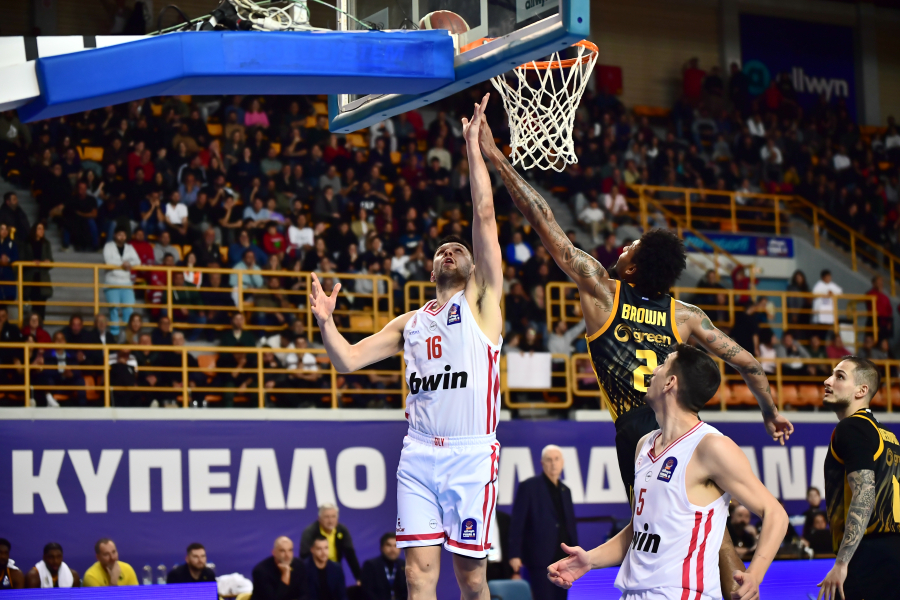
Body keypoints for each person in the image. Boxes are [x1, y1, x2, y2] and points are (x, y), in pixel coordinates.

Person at [476, 106, 793, 594]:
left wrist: (497, 159)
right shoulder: (685, 316)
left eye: (631, 247)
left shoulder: (604, 292)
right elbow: (749, 363)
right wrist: (770, 413)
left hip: (641, 426)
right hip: (682, 420)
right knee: (712, 525)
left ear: (633, 268)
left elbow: (544, 221)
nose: (622, 248)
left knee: (661, 527)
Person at [309, 96, 503, 600]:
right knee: (417, 576)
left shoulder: (482, 304)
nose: (450, 251)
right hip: (417, 454)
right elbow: (348, 361)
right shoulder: (410, 323)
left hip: (470, 454)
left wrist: (472, 147)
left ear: (472, 268)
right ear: (431, 269)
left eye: (458, 249)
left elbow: (484, 215)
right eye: (442, 250)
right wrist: (327, 325)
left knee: (471, 579)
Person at [547, 345, 788, 599]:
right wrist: (589, 560)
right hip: (633, 592)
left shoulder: (710, 446)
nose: (654, 370)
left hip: (681, 592)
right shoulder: (645, 444)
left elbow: (775, 513)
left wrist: (755, 574)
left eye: (663, 365)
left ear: (670, 383)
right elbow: (639, 530)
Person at [818, 357, 900, 599]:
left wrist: (842, 563)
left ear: (861, 390)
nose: (827, 381)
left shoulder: (851, 427)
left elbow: (864, 492)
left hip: (868, 556)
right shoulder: (887, 435)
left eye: (839, 376)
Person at [508, 445, 577, 600]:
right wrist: (515, 554)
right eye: (549, 460)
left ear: (562, 462)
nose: (553, 463)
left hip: (564, 560)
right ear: (542, 463)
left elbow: (570, 525)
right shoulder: (529, 487)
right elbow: (517, 523)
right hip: (540, 559)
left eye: (557, 459)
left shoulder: (566, 490)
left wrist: (574, 552)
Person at [299, 504, 361, 585]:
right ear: (319, 518)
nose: (330, 521)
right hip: (314, 572)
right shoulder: (310, 532)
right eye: (326, 517)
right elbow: (304, 556)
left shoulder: (342, 530)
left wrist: (359, 578)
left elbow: (350, 555)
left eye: (333, 516)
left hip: (335, 571)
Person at [103, 227, 141, 336]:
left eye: (123, 235)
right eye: (119, 234)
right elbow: (108, 261)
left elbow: (137, 261)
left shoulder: (130, 247)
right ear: (115, 235)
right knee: (113, 310)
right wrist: (123, 264)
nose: (122, 237)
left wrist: (128, 264)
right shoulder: (108, 246)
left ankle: (127, 336)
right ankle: (114, 335)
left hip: (126, 282)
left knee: (128, 310)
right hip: (112, 281)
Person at [360, 533, 407, 600]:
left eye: (396, 546)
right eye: (389, 545)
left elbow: (408, 592)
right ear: (381, 548)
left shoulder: (404, 565)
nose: (393, 549)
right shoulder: (371, 565)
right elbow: (367, 592)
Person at [305, 535, 347, 600]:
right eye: (319, 549)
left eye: (326, 548)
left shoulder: (336, 568)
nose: (323, 552)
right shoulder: (304, 568)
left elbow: (342, 596)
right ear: (312, 550)